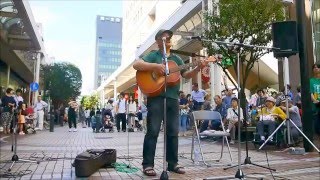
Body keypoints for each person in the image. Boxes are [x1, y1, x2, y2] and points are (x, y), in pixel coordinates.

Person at [132, 29, 214, 176]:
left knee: (172, 132)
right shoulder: (153, 55)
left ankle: (172, 163)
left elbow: (186, 75)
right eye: (164, 37)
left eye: (169, 37)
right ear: (158, 41)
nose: (168, 38)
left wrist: (198, 67)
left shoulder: (176, 59)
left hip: (172, 99)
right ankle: (148, 164)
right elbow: (137, 65)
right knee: (152, 131)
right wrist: (156, 66)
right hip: (156, 98)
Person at [310, 63, 320, 135]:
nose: (316, 68)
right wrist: (315, 100)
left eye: (318, 67)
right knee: (317, 128)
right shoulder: (311, 81)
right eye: (314, 67)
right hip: (316, 106)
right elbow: (310, 93)